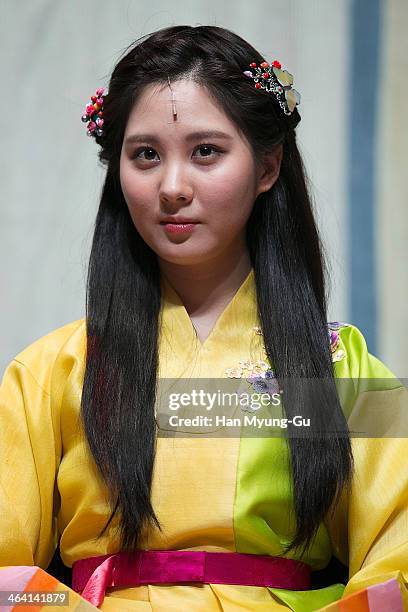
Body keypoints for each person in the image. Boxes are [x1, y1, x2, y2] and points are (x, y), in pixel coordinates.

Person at [1, 24, 407, 612]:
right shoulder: (51, 373)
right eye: (145, 155)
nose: (171, 187)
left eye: (206, 151)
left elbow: (396, 562)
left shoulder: (338, 370)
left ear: (267, 167)